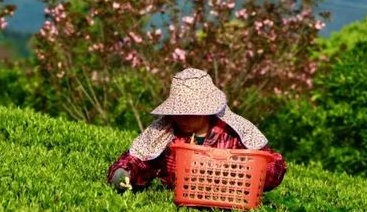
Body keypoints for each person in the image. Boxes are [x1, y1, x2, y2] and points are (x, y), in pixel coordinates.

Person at [107, 67, 286, 192]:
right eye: (179, 113)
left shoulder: (232, 134)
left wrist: (250, 175)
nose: (182, 118)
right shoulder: (165, 134)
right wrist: (124, 173)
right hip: (181, 199)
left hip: (228, 202)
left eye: (190, 113)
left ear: (207, 111)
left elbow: (272, 163)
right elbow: (141, 160)